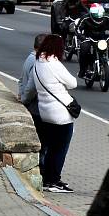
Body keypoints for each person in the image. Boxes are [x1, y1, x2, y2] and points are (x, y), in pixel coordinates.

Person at [33, 34, 78, 193]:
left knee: (51, 147)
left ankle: (46, 178)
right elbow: (73, 83)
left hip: (45, 111)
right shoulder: (53, 63)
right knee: (60, 148)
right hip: (60, 114)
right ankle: (54, 180)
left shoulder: (38, 62)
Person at [19, 33, 48, 175]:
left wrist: (21, 96)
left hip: (31, 106)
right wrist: (25, 100)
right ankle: (41, 172)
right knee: (43, 143)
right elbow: (32, 87)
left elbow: (21, 81)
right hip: (36, 108)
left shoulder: (29, 59)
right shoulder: (37, 62)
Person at [76, 3, 109, 78]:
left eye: (100, 15)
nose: (98, 18)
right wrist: (82, 37)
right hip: (88, 38)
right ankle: (82, 69)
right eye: (96, 16)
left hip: (102, 39)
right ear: (91, 14)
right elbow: (78, 29)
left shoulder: (106, 17)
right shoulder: (85, 18)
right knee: (84, 49)